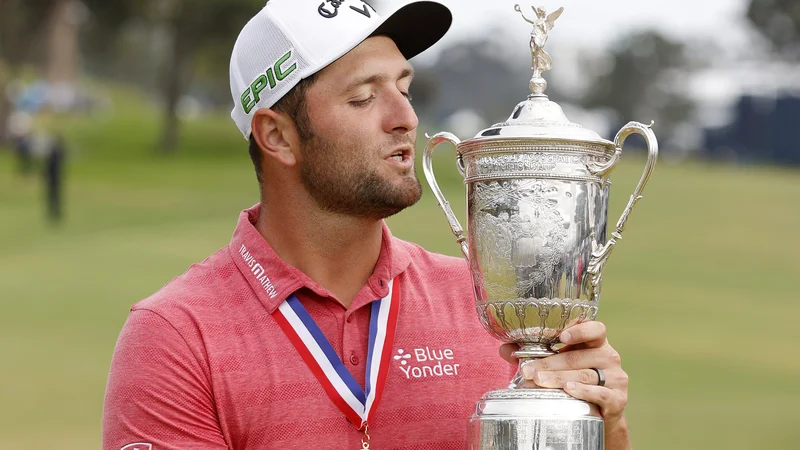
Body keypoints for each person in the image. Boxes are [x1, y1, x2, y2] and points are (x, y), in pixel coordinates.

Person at [102, 1, 631, 449]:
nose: (406, 116)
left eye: (404, 86)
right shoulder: (175, 337)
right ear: (278, 137)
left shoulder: (490, 301)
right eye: (364, 96)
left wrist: (601, 425)